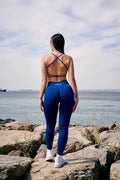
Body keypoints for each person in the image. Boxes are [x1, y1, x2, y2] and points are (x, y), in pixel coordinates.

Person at [39, 33, 79, 168]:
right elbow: (72, 80)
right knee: (63, 127)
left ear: (52, 44)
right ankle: (59, 158)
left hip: (50, 90)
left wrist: (40, 97)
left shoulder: (44, 58)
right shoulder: (68, 58)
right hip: (65, 88)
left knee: (50, 125)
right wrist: (76, 96)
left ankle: (49, 153)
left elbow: (44, 80)